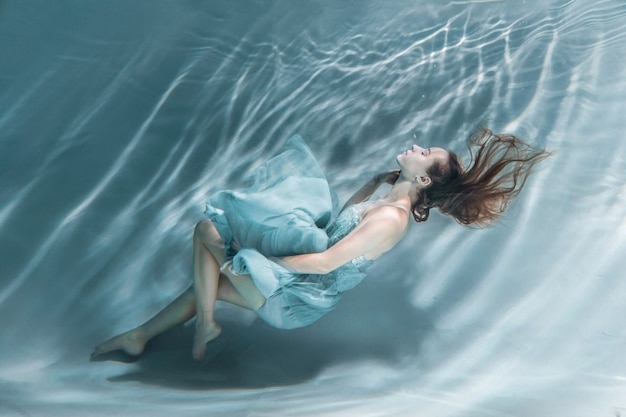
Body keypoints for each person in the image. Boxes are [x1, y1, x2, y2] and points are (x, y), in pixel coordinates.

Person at [91, 129, 550, 361]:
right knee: (207, 241)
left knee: (214, 243)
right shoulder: (386, 199)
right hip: (296, 275)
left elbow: (328, 260)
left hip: (299, 296)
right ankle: (145, 336)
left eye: (424, 152)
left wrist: (259, 260)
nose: (415, 145)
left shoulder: (392, 220)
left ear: (423, 178)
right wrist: (372, 181)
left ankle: (204, 323)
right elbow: (337, 222)